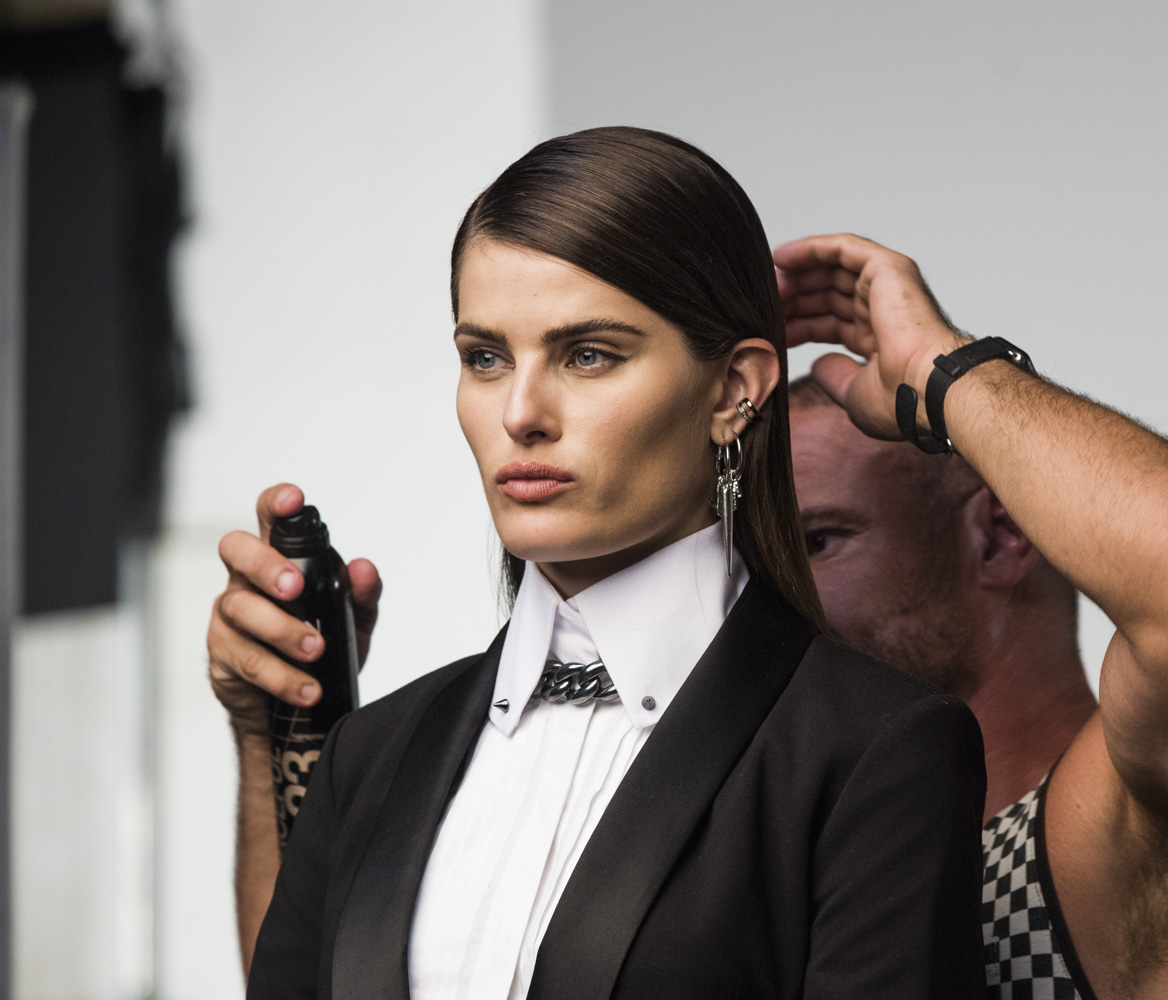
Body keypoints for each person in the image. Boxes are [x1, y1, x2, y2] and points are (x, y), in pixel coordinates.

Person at [213, 228, 1168, 995]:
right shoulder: (749, 809)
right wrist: (289, 735)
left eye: (817, 540)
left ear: (1000, 535)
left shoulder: (1124, 837)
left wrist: (948, 376)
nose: (763, 582)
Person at [212, 130, 986, 1000]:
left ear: (734, 389)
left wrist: (959, 379)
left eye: (588, 355)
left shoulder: (875, 748)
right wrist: (276, 729)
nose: (520, 413)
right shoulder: (371, 752)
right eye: (485, 358)